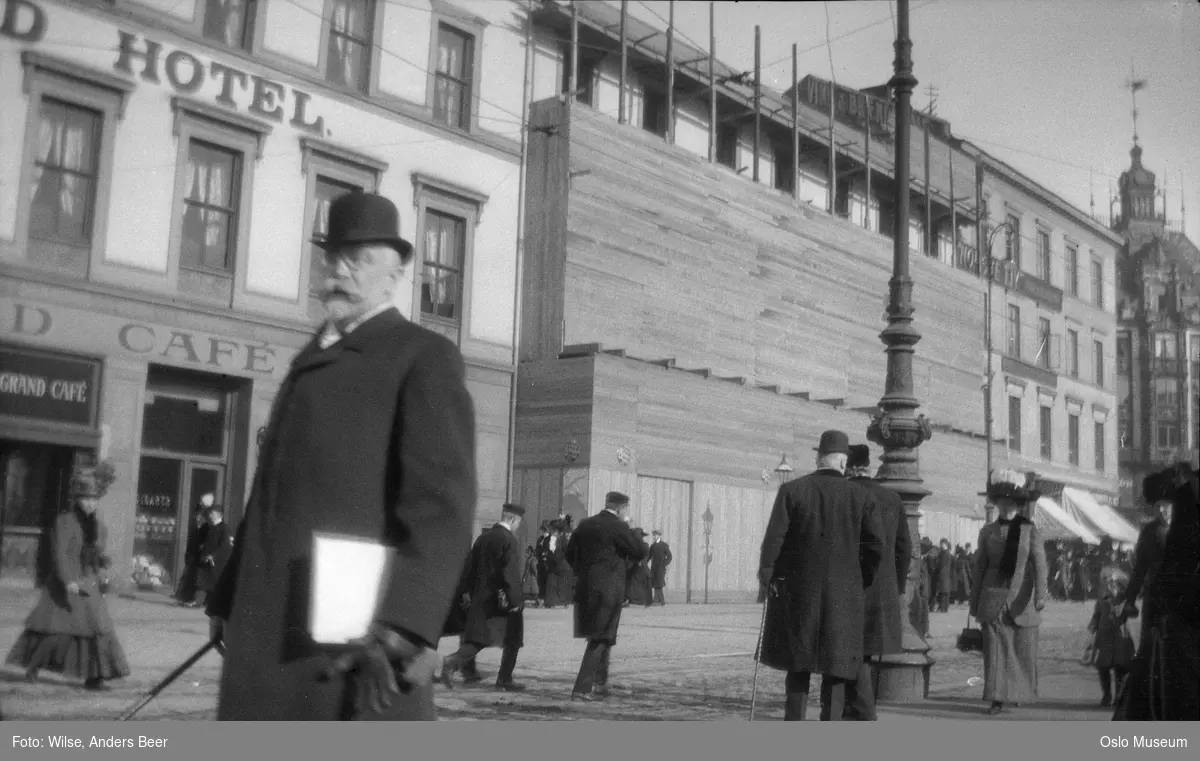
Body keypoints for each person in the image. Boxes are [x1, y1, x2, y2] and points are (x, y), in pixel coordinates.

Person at [205, 192, 476, 721]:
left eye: (361, 259)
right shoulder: (314, 357)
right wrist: (229, 599)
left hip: (357, 642)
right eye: (335, 257)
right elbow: (271, 499)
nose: (343, 270)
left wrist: (404, 624)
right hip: (269, 626)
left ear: (394, 273)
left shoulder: (421, 357)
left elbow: (441, 506)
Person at [757, 430, 885, 721]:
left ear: (818, 458)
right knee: (836, 663)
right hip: (844, 594)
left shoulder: (792, 491)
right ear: (843, 463)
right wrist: (861, 578)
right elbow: (876, 546)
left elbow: (773, 540)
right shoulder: (861, 496)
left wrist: (768, 579)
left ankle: (795, 722)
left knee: (798, 662)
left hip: (799, 592)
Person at [6, 461, 130, 691]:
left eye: (94, 499)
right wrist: (68, 580)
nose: (90, 503)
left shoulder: (98, 526)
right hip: (67, 584)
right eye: (86, 498)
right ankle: (33, 666)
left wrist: (102, 562)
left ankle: (95, 678)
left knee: (99, 629)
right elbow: (60, 553)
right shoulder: (65, 521)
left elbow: (94, 551)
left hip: (89, 583)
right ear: (77, 499)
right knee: (54, 632)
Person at [969, 469, 1049, 715]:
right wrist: (974, 601)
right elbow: (980, 566)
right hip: (992, 596)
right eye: (1000, 503)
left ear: (1017, 504)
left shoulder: (1030, 531)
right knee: (995, 649)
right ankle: (996, 697)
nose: (1004, 508)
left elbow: (1039, 564)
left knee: (1021, 648)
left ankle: (1017, 692)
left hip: (1021, 599)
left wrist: (1040, 594)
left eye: (1009, 504)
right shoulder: (988, 532)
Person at [841, 443, 910, 721]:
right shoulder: (892, 498)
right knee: (864, 651)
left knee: (849, 649)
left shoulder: (845, 494)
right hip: (883, 587)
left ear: (848, 466)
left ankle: (862, 710)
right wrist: (899, 586)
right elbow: (904, 548)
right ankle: (855, 708)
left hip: (850, 584)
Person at [565, 491, 647, 701]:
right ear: (620, 509)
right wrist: (630, 529)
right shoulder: (618, 526)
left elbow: (569, 554)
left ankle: (600, 683)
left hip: (585, 589)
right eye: (625, 510)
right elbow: (639, 551)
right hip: (609, 591)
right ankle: (581, 688)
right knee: (600, 638)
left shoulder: (585, 524)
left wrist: (583, 571)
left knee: (604, 635)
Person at [440, 504, 529, 692]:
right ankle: (504, 679)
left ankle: (453, 661)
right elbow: (509, 573)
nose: (518, 526)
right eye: (518, 522)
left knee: (480, 639)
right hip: (502, 600)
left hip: (481, 598)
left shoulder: (483, 537)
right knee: (512, 639)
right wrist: (515, 601)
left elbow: (470, 568)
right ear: (513, 519)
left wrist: (466, 592)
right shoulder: (509, 540)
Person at [1122, 472, 1174, 655]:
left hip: (1181, 599)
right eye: (1158, 506)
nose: (1161, 511)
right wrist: (1130, 598)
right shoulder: (1148, 532)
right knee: (1148, 649)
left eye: (1165, 506)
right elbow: (1139, 569)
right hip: (1155, 597)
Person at [1088, 573, 1134, 708]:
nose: (1109, 588)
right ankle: (1106, 695)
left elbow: (1133, 612)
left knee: (1120, 670)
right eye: (1107, 586)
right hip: (1105, 640)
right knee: (1103, 668)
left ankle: (1119, 698)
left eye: (1112, 586)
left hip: (1120, 640)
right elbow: (1096, 617)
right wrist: (1093, 628)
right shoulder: (1101, 602)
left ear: (1119, 588)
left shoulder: (1124, 601)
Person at [193, 506, 234, 606]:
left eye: (212, 513)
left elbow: (226, 545)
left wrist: (213, 556)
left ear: (218, 515)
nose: (210, 515)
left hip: (216, 563)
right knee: (203, 582)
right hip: (207, 561)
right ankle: (199, 602)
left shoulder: (224, 528)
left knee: (214, 583)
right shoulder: (212, 528)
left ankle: (208, 603)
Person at [176, 498, 212, 606]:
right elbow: (191, 539)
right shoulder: (192, 522)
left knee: (195, 578)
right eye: (198, 513)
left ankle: (192, 599)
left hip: (199, 555)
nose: (199, 516)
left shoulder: (206, 525)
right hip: (192, 553)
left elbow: (206, 540)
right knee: (189, 576)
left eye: (201, 513)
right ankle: (185, 598)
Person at [541, 520, 573, 608]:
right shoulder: (547, 540)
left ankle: (563, 601)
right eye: (552, 529)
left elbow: (567, 551)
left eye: (555, 530)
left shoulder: (564, 540)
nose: (554, 531)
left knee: (562, 583)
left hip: (562, 565)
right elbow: (544, 551)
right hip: (551, 565)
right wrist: (545, 560)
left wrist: (559, 559)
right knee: (551, 583)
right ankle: (550, 602)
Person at [624, 529, 653, 607]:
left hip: (639, 569)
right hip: (635, 568)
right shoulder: (633, 545)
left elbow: (644, 558)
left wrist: (638, 563)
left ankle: (634, 601)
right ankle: (628, 600)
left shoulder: (644, 545)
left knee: (634, 583)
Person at [648, 529, 672, 606]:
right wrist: (643, 563)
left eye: (655, 535)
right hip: (654, 568)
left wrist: (664, 564)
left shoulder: (664, 545)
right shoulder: (652, 546)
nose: (654, 537)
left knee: (659, 584)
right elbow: (648, 556)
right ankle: (657, 601)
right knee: (656, 584)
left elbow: (669, 557)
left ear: (659, 536)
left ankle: (661, 602)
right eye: (653, 535)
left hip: (661, 569)